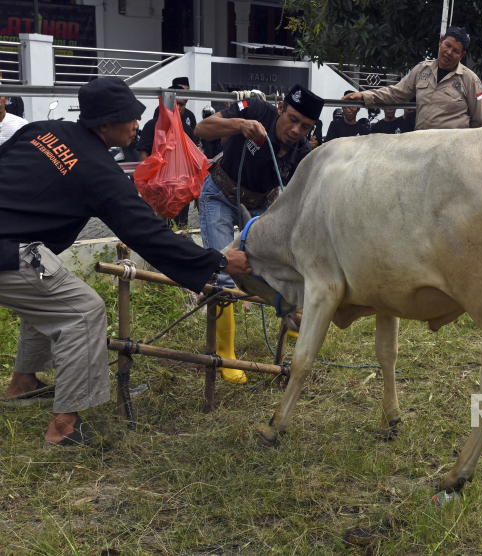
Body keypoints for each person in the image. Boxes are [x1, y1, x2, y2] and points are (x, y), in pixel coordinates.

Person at [0, 77, 251, 445]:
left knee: (51, 288)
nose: (137, 123)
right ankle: (63, 428)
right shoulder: (99, 171)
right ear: (103, 124)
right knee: (83, 310)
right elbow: (148, 234)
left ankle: (23, 383)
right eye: (129, 118)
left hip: (15, 245)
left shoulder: (42, 130)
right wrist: (217, 262)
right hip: (10, 252)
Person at [194, 84, 323, 383]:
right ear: (280, 109)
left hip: (260, 208)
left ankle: (291, 315)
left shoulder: (302, 153)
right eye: (292, 119)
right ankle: (226, 356)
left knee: (281, 265)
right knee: (223, 270)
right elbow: (202, 128)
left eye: (305, 126)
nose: (296, 130)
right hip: (220, 194)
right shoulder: (255, 109)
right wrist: (240, 124)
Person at [342, 26, 482, 130]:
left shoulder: (471, 81)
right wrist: (363, 95)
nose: (449, 52)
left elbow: (479, 121)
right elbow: (396, 93)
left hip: (451, 149)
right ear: (440, 41)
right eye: (447, 45)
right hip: (421, 145)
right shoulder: (421, 69)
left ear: (462, 55)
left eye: (456, 51)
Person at [137, 86, 199, 228]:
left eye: (181, 104)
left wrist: (195, 192)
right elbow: (143, 155)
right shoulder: (151, 126)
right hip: (156, 189)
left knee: (180, 228)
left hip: (180, 191)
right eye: (174, 103)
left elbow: (193, 161)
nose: (177, 107)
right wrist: (148, 185)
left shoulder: (187, 130)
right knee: (154, 229)